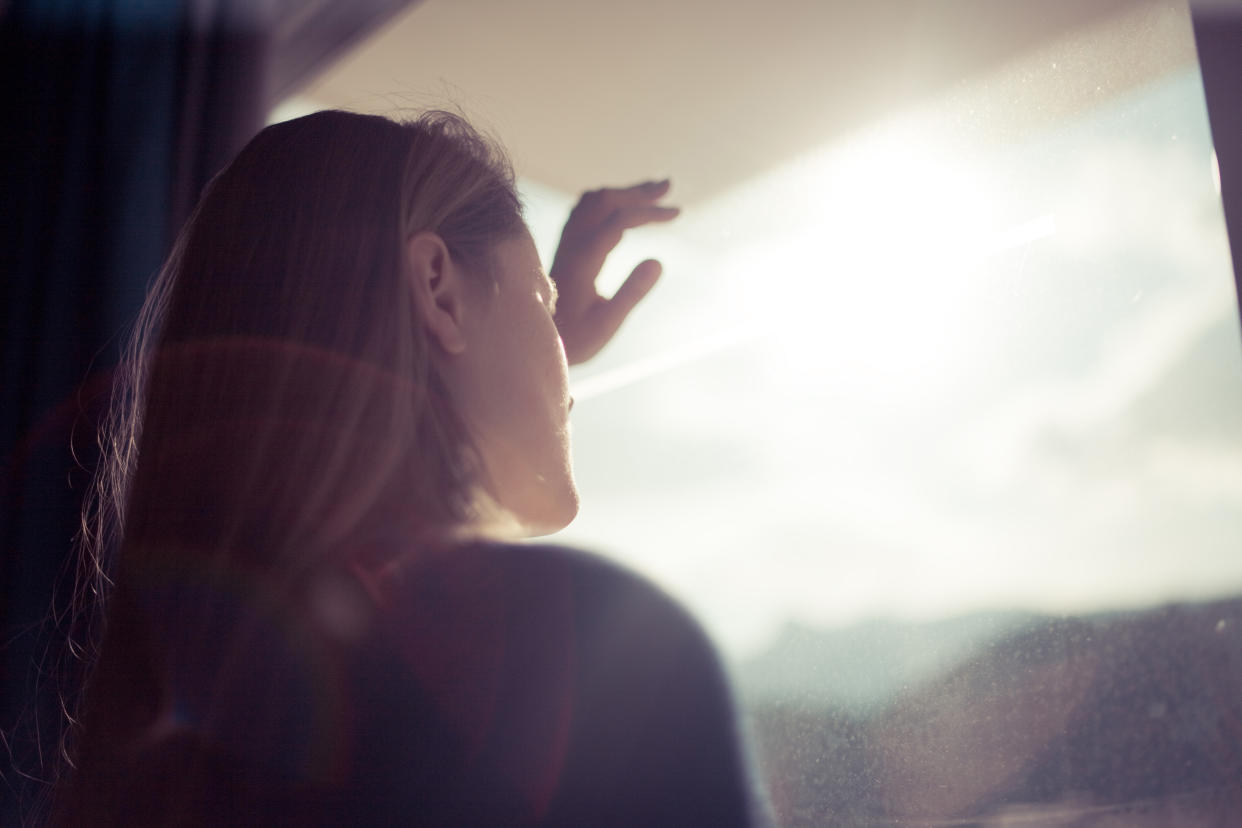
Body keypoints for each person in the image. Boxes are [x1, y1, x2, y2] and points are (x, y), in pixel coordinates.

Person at [51, 110, 762, 825]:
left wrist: (518, 345)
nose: (564, 362)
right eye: (544, 304)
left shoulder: (176, 703)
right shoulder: (596, 648)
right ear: (437, 286)